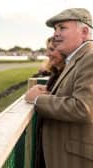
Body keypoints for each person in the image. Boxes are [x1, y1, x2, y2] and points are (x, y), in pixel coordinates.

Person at [25, 8, 93, 168]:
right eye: (55, 29)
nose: (56, 34)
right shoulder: (76, 60)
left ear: (84, 32)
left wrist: (37, 99)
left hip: (82, 160)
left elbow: (83, 108)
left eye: (62, 28)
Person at [35, 36, 66, 168]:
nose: (48, 54)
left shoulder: (63, 72)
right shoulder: (56, 72)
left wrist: (37, 98)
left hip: (56, 144)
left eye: (52, 49)